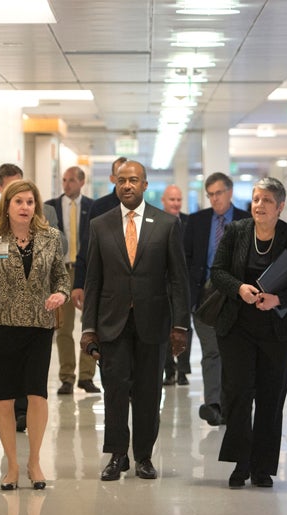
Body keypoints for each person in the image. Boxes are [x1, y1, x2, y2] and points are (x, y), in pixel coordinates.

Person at [80, 160, 190, 482]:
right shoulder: (101, 225)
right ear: (116, 183)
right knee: (114, 391)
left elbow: (177, 280)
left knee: (148, 392)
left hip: (153, 322)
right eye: (122, 180)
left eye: (134, 180)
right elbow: (93, 281)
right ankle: (117, 456)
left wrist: (180, 326)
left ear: (145, 185)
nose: (127, 185)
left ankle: (143, 456)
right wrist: (88, 329)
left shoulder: (166, 224)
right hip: (112, 322)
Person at [209, 177, 287, 489]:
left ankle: (262, 467)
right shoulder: (236, 231)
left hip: (277, 331)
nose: (259, 205)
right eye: (256, 199)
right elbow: (217, 272)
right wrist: (239, 288)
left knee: (271, 399)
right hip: (238, 327)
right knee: (239, 396)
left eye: (267, 200)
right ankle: (240, 464)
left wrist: (279, 299)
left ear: (280, 206)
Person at [0, 179, 70, 491]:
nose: (26, 207)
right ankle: (11, 465)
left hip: (39, 325)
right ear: (7, 206)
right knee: (5, 396)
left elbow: (62, 277)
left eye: (30, 202)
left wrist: (61, 294)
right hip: (3, 325)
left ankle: (34, 462)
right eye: (19, 202)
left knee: (37, 393)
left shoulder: (51, 238)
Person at [184, 172, 251, 425]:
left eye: (218, 193)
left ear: (230, 192)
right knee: (211, 351)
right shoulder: (198, 221)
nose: (214, 199)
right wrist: (189, 297)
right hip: (206, 296)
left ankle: (233, 403)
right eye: (210, 194)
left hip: (237, 295)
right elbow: (187, 258)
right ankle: (214, 404)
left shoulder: (247, 221)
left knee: (234, 352)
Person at [44, 166, 100, 395]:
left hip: (87, 270)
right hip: (61, 271)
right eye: (64, 180)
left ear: (82, 181)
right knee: (63, 327)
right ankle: (67, 377)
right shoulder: (50, 207)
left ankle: (86, 377)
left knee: (90, 323)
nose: (66, 185)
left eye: (71, 180)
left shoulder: (93, 207)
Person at [70, 156, 128, 311]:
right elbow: (87, 246)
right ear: (112, 178)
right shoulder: (99, 207)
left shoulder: (143, 209)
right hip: (104, 286)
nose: (126, 182)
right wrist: (78, 284)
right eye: (121, 176)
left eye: (131, 177)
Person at [160, 184, 192, 386]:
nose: (176, 203)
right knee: (164, 327)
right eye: (172, 199)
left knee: (184, 326)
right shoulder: (158, 223)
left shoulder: (190, 222)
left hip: (184, 283)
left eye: (178, 199)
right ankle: (168, 370)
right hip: (162, 284)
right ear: (163, 201)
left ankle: (183, 370)